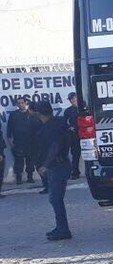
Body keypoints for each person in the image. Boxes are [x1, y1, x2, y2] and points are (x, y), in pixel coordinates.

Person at [31, 100, 73, 240]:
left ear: (38, 112)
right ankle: (61, 227)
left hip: (57, 165)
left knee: (55, 198)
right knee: (56, 198)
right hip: (60, 165)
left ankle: (63, 230)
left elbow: (54, 147)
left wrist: (45, 165)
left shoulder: (51, 127)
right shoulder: (57, 122)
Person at [7, 96, 40, 185]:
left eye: (22, 103)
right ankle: (19, 178)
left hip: (30, 142)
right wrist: (10, 140)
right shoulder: (13, 115)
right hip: (18, 142)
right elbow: (9, 128)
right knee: (19, 161)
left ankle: (30, 177)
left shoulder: (31, 114)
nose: (20, 105)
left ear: (26, 103)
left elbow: (37, 128)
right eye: (19, 103)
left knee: (30, 160)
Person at [63, 92, 82, 179]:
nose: (73, 100)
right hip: (74, 135)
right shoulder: (68, 111)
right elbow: (64, 123)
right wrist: (70, 128)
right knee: (75, 154)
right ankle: (75, 172)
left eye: (74, 98)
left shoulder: (84, 108)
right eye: (71, 99)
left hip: (86, 134)